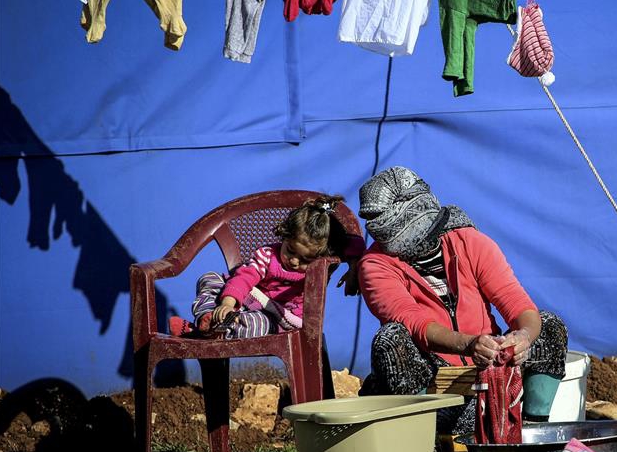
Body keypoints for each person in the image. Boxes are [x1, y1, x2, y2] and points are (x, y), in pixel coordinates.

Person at [356, 167, 567, 432]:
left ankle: (530, 434)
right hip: (431, 393)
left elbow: (515, 301)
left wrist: (523, 336)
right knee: (391, 339)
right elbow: (414, 324)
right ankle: (421, 447)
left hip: (487, 380)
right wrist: (468, 345)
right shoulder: (375, 265)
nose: (373, 225)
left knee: (547, 326)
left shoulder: (469, 242)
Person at [169, 195, 364, 339]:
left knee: (256, 325)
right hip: (243, 300)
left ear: (322, 255)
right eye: (290, 251)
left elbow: (355, 243)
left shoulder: (321, 262)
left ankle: (203, 332)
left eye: (305, 260)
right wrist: (227, 304)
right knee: (209, 278)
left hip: (278, 318)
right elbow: (244, 277)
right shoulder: (267, 256)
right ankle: (207, 318)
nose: (295, 261)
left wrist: (353, 271)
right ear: (285, 236)